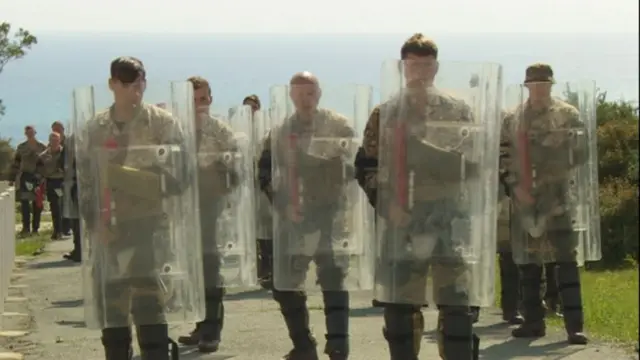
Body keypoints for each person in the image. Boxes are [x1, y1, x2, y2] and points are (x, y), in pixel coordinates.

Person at [356, 33, 500, 360]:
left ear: (436, 68)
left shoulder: (458, 112)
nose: (419, 72)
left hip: (450, 214)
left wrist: (428, 156)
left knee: (458, 306)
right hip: (403, 217)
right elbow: (366, 165)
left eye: (426, 65)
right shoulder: (386, 113)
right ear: (403, 68)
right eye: (413, 65)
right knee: (400, 309)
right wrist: (387, 204)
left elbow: (475, 166)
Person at [76, 56, 200, 360]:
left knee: (149, 309)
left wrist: (135, 182)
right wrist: (95, 223)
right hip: (109, 231)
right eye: (127, 83)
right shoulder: (96, 128)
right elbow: (83, 184)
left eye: (140, 81)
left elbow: (181, 175)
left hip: (150, 227)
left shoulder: (163, 124)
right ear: (112, 85)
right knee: (113, 313)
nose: (136, 89)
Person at [258, 71, 355, 360]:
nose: (305, 99)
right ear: (291, 96)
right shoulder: (279, 132)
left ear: (319, 93)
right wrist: (282, 203)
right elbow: (263, 172)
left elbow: (352, 166)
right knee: (284, 284)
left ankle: (338, 345)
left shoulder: (338, 126)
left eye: (310, 93)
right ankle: (304, 346)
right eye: (299, 94)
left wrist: (319, 167)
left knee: (333, 279)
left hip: (330, 214)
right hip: (294, 217)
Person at [501, 63, 596, 345]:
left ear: (551, 85)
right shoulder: (514, 118)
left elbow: (580, 153)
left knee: (566, 261)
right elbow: (503, 156)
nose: (539, 90)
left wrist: (550, 154)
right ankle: (532, 322)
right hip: (525, 200)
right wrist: (516, 188)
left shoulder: (567, 114)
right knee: (529, 265)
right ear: (527, 87)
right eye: (533, 85)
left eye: (544, 85)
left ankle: (574, 327)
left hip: (559, 198)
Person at [177, 76, 238, 353]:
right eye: (193, 101)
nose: (199, 106)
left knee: (210, 270)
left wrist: (214, 166)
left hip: (211, 208)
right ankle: (201, 325)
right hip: (183, 210)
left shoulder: (221, 132)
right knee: (192, 270)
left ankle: (212, 330)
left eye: (203, 99)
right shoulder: (177, 131)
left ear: (210, 100)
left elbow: (235, 175)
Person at [9, 125, 46, 237]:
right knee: (25, 203)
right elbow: (16, 163)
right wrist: (12, 179)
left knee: (37, 203)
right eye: (27, 132)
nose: (30, 134)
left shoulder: (42, 147)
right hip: (25, 176)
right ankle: (26, 228)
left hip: (37, 177)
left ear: (35, 132)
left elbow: (45, 163)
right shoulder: (21, 147)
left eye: (31, 132)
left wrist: (43, 177)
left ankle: (35, 228)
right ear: (25, 134)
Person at [496, 196, 524, 324]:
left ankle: (513, 308)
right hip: (502, 205)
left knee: (515, 263)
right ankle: (511, 308)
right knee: (508, 259)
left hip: (521, 203)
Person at [36, 132, 65, 240]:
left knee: (64, 206)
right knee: (55, 207)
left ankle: (65, 229)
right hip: (52, 182)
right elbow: (38, 169)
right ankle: (57, 230)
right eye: (52, 140)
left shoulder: (65, 154)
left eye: (57, 140)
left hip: (63, 182)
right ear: (49, 141)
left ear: (60, 140)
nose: (55, 143)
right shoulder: (43, 156)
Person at [61, 131, 81, 262]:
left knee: (78, 220)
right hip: (75, 184)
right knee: (76, 220)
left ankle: (79, 250)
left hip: (79, 184)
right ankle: (78, 249)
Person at [51, 120, 72, 236]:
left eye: (58, 129)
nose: (56, 131)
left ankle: (66, 227)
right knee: (55, 205)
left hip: (67, 179)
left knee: (66, 203)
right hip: (55, 179)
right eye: (54, 129)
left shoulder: (69, 143)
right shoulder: (50, 144)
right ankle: (57, 229)